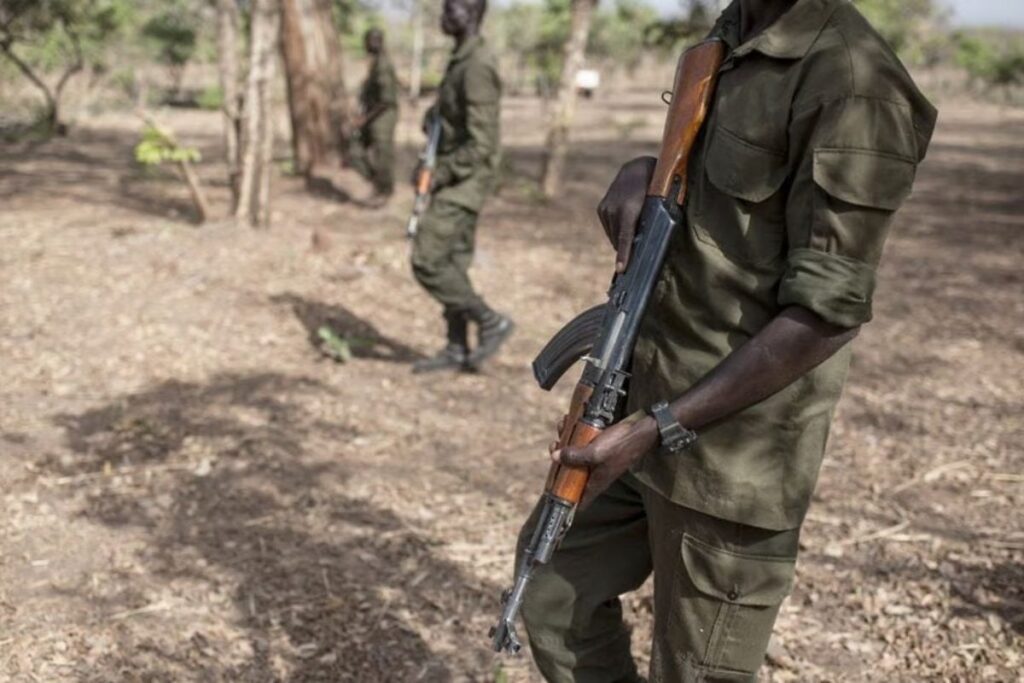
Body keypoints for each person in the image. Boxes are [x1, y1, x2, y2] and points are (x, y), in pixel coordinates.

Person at [517, 0, 938, 680]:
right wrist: (645, 169)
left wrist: (658, 427)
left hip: (728, 459)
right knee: (550, 596)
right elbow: (716, 196)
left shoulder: (855, 81)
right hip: (639, 399)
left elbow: (828, 313)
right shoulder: (736, 31)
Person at [410, 0, 513, 374]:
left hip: (465, 182)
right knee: (452, 262)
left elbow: (482, 144)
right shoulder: (460, 59)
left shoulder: (477, 65)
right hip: (455, 176)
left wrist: (438, 174)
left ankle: (490, 321)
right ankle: (456, 347)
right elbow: (453, 118)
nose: (444, 15)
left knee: (427, 260)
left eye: (451, 9)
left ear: (472, 14)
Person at [349, 28, 398, 204]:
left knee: (383, 155)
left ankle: (384, 191)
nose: (370, 44)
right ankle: (378, 184)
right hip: (373, 114)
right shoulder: (374, 63)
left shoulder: (383, 65)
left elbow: (386, 100)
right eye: (368, 40)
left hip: (383, 116)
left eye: (374, 40)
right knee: (354, 150)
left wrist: (364, 119)